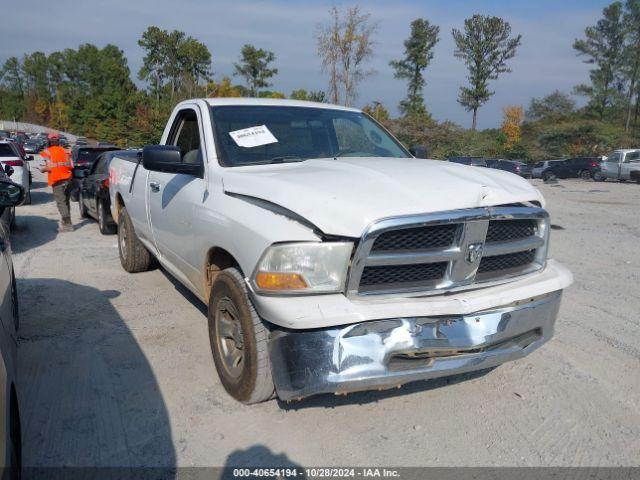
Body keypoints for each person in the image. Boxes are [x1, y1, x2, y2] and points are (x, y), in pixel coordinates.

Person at [39, 133, 74, 232]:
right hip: (68, 179)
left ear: (48, 141)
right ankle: (66, 221)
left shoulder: (47, 152)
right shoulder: (66, 151)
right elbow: (71, 165)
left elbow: (49, 167)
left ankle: (67, 225)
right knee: (66, 202)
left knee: (61, 202)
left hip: (57, 180)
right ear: (58, 141)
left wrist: (42, 169)